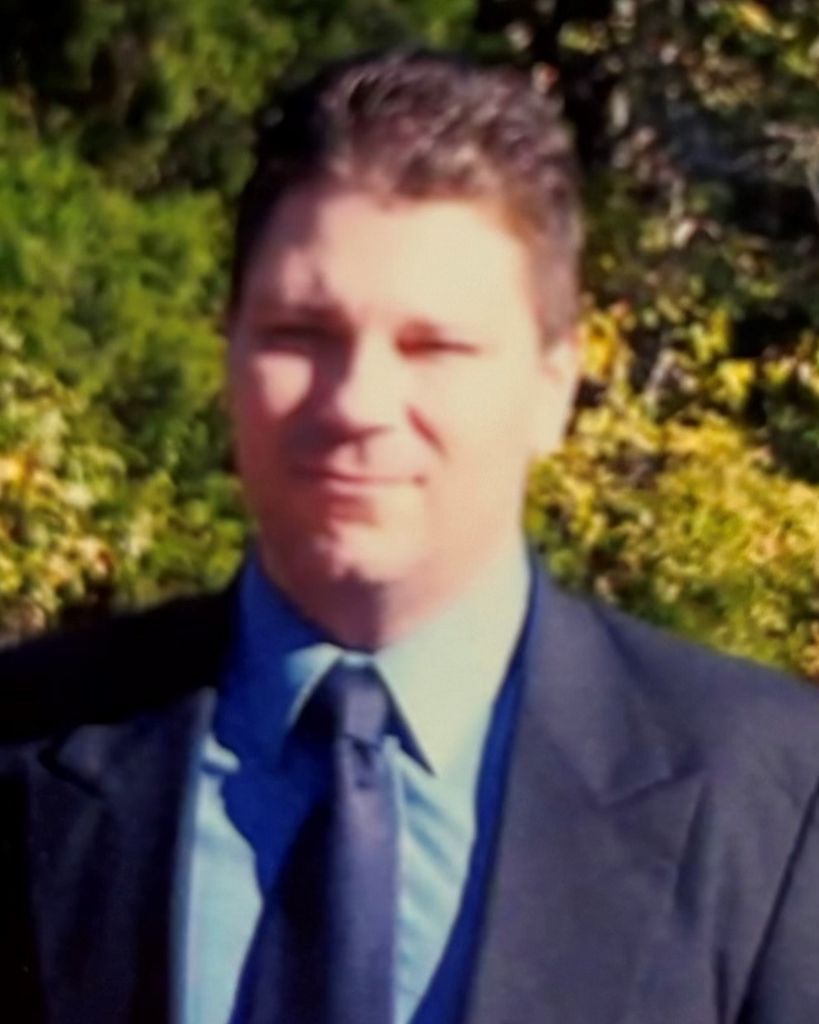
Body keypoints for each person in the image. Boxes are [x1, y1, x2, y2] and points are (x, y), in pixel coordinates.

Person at [2, 49, 819, 1024]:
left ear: (555, 384)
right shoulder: (29, 742)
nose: (358, 403)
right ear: (230, 351)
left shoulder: (767, 798)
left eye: (436, 346)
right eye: (301, 334)